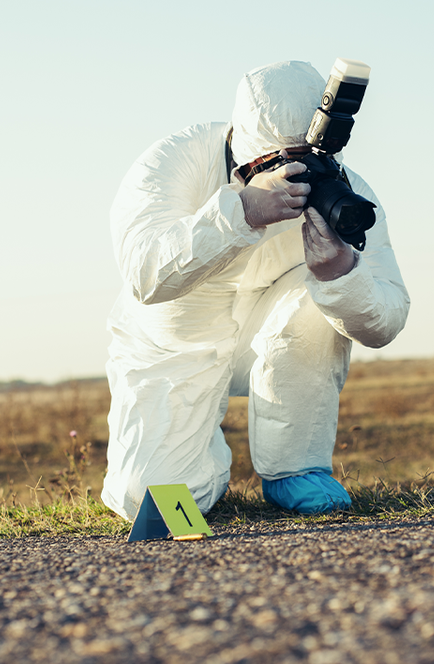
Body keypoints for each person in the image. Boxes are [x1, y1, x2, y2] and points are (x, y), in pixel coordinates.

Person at [101, 60, 409, 519]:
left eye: (308, 163)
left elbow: (388, 319)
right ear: (241, 149)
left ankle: (295, 468)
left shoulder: (347, 191)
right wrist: (239, 212)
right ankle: (197, 457)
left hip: (272, 325)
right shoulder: (171, 160)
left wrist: (342, 273)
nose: (296, 176)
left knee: (316, 299)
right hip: (174, 340)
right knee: (146, 500)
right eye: (279, 165)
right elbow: (143, 274)